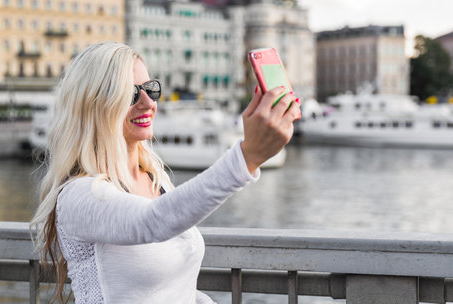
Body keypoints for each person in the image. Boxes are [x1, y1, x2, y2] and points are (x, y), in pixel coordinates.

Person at [30, 42, 301, 304]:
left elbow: (176, 288)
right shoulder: (77, 196)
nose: (147, 102)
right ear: (92, 105)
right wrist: (247, 157)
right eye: (130, 93)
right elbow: (152, 222)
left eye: (151, 89)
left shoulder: (155, 180)